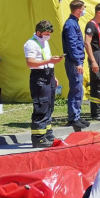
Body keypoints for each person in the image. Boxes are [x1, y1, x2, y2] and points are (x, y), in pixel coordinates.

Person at [25, 20, 64, 148]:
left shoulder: (45, 42)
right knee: (41, 106)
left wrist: (54, 75)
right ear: (38, 32)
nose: (48, 35)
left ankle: (47, 133)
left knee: (49, 106)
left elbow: (47, 60)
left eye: (49, 33)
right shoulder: (30, 44)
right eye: (46, 33)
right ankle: (38, 138)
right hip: (39, 77)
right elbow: (30, 62)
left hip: (49, 75)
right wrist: (49, 60)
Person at [61, 0, 90, 131]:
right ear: (78, 9)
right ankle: (73, 118)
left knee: (79, 88)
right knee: (76, 88)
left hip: (76, 61)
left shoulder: (74, 23)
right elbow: (72, 45)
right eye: (83, 8)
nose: (84, 11)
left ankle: (77, 116)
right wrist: (78, 62)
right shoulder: (71, 24)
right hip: (74, 62)